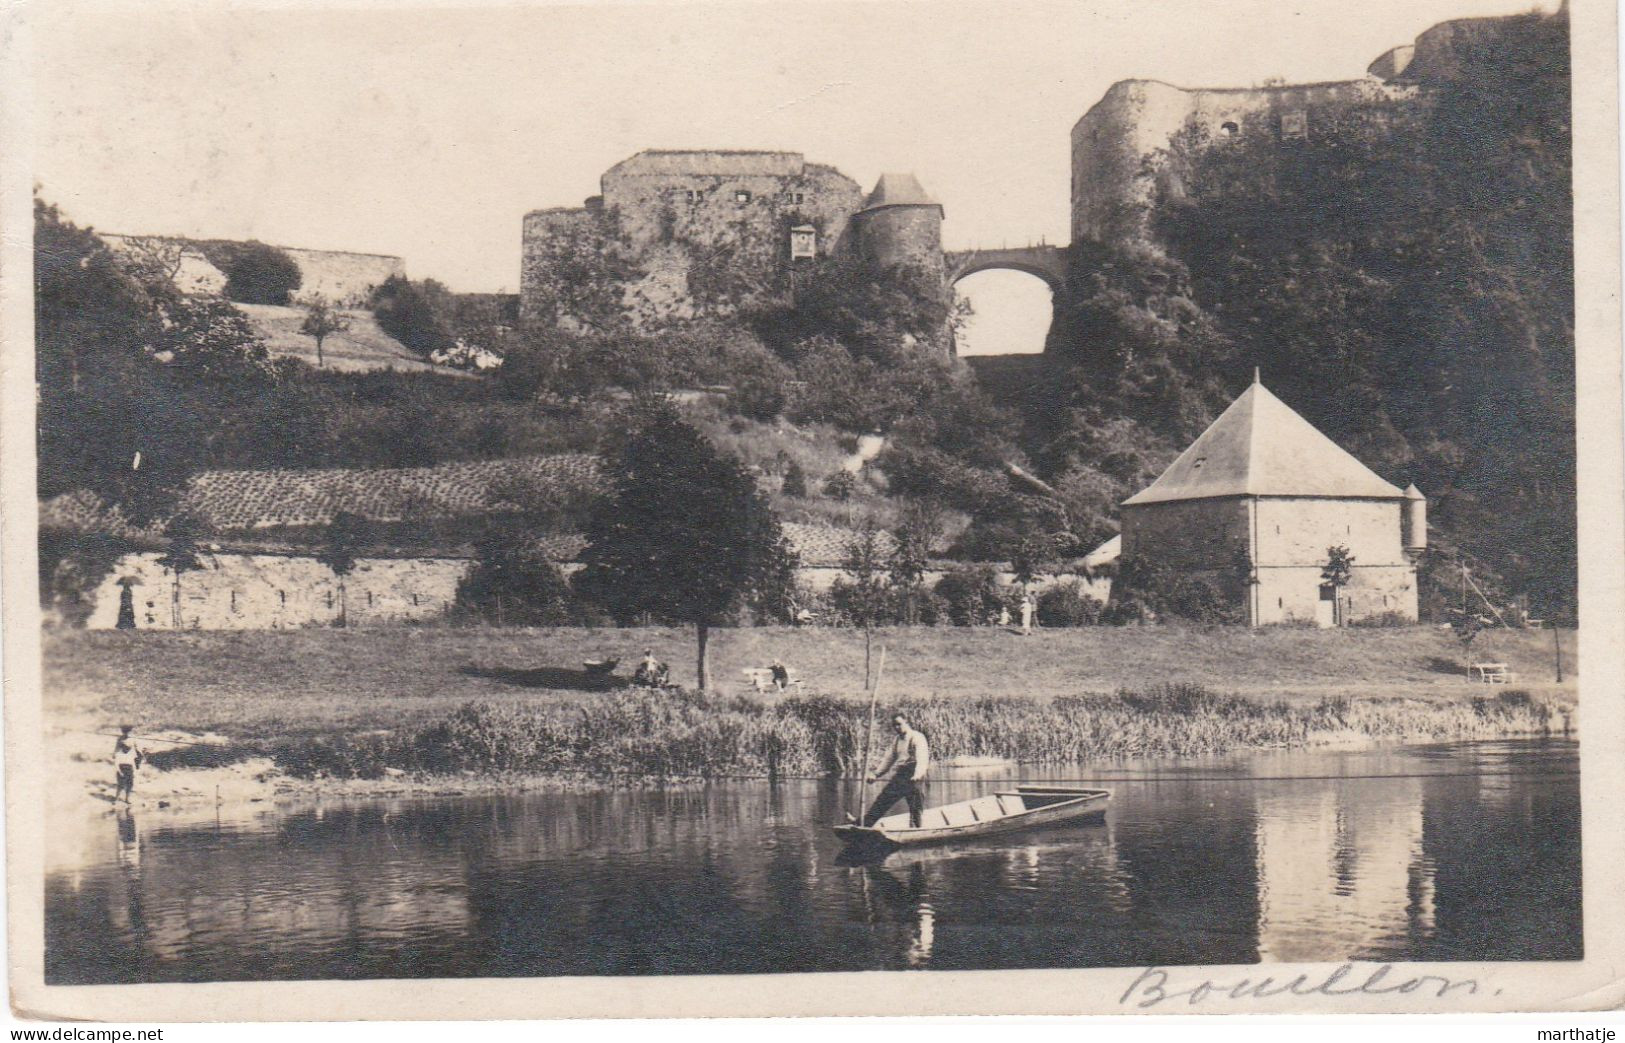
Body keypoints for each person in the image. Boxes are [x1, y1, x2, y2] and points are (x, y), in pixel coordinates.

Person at [860, 714, 930, 828]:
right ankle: (864, 824)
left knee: (915, 806)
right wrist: (876, 774)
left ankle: (918, 830)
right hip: (902, 774)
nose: (897, 727)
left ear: (906, 722)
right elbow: (889, 759)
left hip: (915, 774)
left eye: (899, 724)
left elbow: (922, 759)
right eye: (894, 725)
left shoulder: (917, 737)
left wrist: (917, 775)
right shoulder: (897, 740)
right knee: (883, 799)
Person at [113, 735, 143, 805]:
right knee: (120, 785)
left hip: (129, 769)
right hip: (121, 769)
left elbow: (134, 762)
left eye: (129, 748)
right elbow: (116, 764)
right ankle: (116, 799)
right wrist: (120, 772)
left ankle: (127, 799)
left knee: (130, 784)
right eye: (126, 748)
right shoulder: (119, 754)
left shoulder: (131, 753)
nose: (127, 750)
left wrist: (134, 771)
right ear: (123, 748)